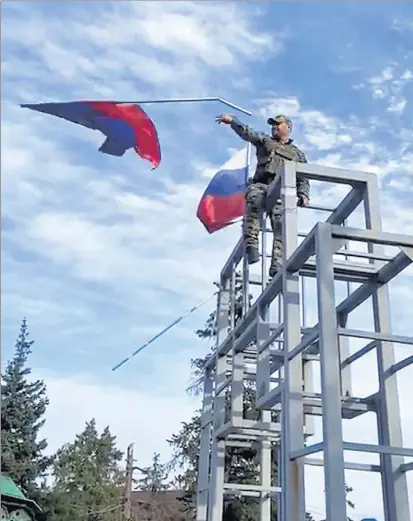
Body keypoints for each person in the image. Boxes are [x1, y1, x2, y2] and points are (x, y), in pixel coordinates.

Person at [215, 113, 310, 278]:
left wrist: (303, 194)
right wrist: (233, 122)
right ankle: (251, 245)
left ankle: (277, 264)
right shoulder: (266, 141)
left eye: (278, 124)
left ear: (288, 127)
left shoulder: (297, 154)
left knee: (282, 225)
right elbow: (248, 133)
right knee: (254, 204)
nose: (274, 127)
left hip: (281, 191)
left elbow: (304, 177)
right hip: (261, 185)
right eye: (273, 124)